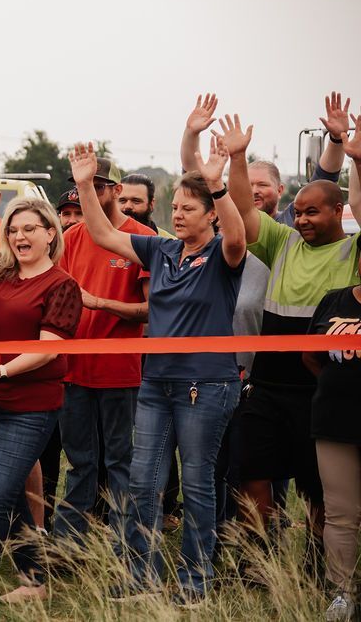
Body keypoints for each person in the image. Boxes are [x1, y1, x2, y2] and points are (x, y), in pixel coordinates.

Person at [71, 136, 246, 603]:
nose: (178, 214)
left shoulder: (222, 258)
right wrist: (87, 186)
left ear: (210, 213)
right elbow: (103, 235)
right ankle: (138, 577)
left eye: (190, 207)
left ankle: (194, 582)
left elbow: (238, 237)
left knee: (197, 482)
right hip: (155, 384)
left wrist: (219, 187)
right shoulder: (161, 251)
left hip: (205, 386)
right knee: (143, 483)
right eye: (176, 206)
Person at [225, 111, 361, 580]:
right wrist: (238, 159)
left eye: (311, 212)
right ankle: (258, 563)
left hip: (321, 392)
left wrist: (355, 158)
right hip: (266, 386)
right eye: (298, 212)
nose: (300, 219)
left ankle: (316, 567)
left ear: (336, 211)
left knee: (320, 492)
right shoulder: (283, 242)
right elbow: (243, 209)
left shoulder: (353, 252)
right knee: (252, 474)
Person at [0, 197, 82, 613]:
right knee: (7, 493)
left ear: (50, 234)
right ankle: (34, 579)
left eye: (29, 229)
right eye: (13, 229)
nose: (19, 236)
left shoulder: (62, 286)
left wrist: (4, 372)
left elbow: (48, 351)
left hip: (29, 405)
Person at [54, 158, 153, 546]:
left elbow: (152, 310)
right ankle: (66, 549)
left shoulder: (140, 237)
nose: (89, 194)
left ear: (115, 190)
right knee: (80, 464)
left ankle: (125, 549)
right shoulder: (72, 238)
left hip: (120, 371)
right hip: (74, 371)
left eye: (97, 186)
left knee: (120, 464)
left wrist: (101, 303)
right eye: (82, 186)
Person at [303, 202, 361, 620]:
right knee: (341, 512)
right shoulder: (334, 301)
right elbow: (309, 355)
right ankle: (343, 594)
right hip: (335, 420)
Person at [181, 93, 346, 225]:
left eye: (262, 185)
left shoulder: (292, 222)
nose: (254, 191)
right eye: (249, 185)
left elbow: (323, 181)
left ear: (280, 190)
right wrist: (191, 133)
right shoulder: (223, 220)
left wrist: (337, 139)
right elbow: (193, 178)